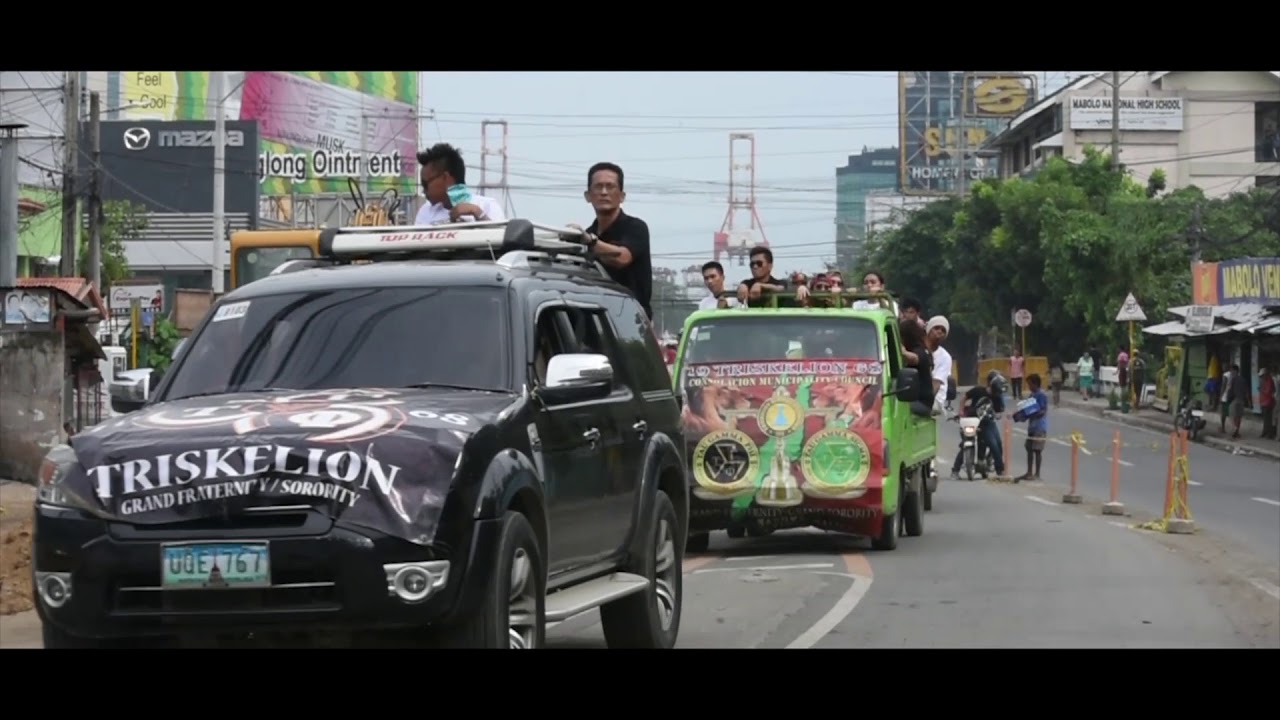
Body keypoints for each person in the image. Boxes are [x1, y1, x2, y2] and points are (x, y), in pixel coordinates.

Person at [578, 162, 654, 318]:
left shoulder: (636, 228)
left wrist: (591, 242)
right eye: (598, 187)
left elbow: (622, 258)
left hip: (633, 321)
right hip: (596, 320)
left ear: (622, 196)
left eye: (610, 186)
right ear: (588, 196)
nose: (604, 192)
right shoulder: (585, 236)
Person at [414, 143, 506, 225]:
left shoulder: (488, 206)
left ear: (445, 177)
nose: (424, 191)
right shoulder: (426, 212)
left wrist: (477, 213)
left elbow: (501, 239)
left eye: (425, 184)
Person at [950, 370, 1007, 478]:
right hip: (973, 420)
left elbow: (999, 410)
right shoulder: (978, 390)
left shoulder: (997, 397)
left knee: (996, 444)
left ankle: (1000, 470)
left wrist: (998, 405)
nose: (995, 393)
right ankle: (955, 470)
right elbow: (964, 397)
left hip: (988, 423)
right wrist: (961, 411)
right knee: (965, 444)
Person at [1013, 373, 1049, 482]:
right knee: (1029, 448)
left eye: (1030, 384)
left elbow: (1042, 410)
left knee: (1037, 450)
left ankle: (1037, 474)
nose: (1029, 386)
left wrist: (1031, 413)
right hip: (1032, 427)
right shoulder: (1032, 395)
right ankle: (1029, 472)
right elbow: (1026, 409)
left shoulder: (1041, 395)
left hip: (1039, 427)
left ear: (1035, 384)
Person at [1260, 367, 1277, 440]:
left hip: (1268, 402)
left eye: (1262, 376)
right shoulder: (1264, 381)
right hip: (1264, 401)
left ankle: (1269, 433)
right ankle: (1265, 432)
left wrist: (1261, 390)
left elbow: (1268, 392)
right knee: (1265, 419)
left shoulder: (1269, 380)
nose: (1262, 378)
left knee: (1268, 419)